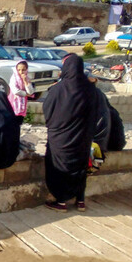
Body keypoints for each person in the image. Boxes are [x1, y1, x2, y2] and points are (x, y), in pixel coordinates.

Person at [43, 54, 98, 212]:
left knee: (60, 165)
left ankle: (61, 201)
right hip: (83, 137)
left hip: (61, 138)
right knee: (80, 166)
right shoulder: (89, 88)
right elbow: (95, 112)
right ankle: (80, 200)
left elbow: (48, 110)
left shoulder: (58, 89)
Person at [8, 60, 35, 125]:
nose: (21, 72)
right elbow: (15, 91)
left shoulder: (27, 78)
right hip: (13, 101)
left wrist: (25, 81)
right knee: (12, 120)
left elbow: (30, 91)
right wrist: (26, 94)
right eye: (19, 70)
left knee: (19, 121)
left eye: (23, 70)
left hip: (22, 102)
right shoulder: (13, 78)